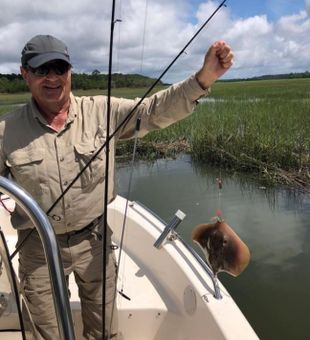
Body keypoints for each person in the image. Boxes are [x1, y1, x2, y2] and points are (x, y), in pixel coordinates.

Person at [0, 34, 233, 339]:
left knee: (105, 332)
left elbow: (152, 111)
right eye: (42, 70)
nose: (52, 78)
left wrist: (204, 77)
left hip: (94, 239)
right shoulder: (7, 131)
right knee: (46, 332)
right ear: (25, 73)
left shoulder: (102, 111)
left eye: (59, 68)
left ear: (71, 71)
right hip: (37, 245)